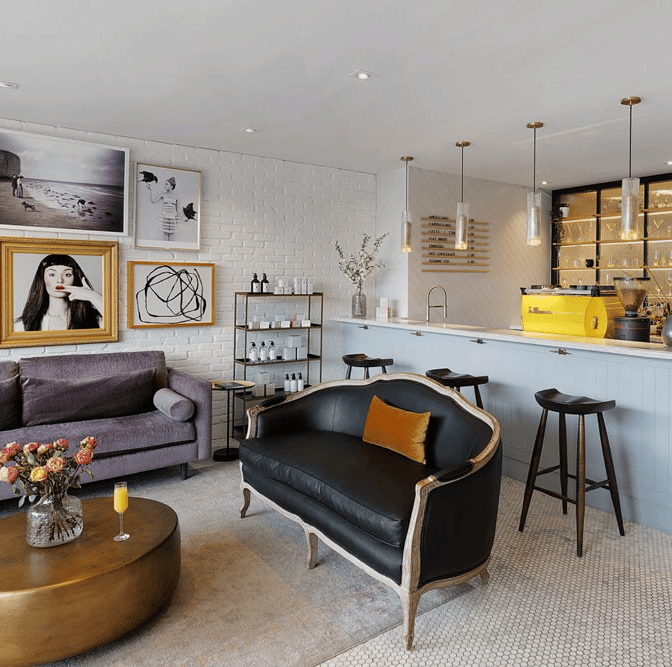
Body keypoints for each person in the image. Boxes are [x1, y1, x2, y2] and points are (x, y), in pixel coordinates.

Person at [16, 254, 103, 331]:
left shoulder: (95, 320)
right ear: (42, 280)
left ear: (75, 279)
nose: (60, 280)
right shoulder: (23, 325)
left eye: (67, 275)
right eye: (52, 275)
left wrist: (92, 296)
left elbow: (112, 321)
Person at [146, 176, 183, 241]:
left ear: (171, 186)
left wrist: (183, 218)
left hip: (173, 217)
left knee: (172, 235)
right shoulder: (163, 194)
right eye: (165, 184)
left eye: (166, 184)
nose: (165, 186)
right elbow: (153, 201)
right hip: (165, 217)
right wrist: (151, 190)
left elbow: (178, 210)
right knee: (165, 235)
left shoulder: (176, 196)